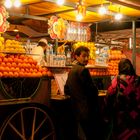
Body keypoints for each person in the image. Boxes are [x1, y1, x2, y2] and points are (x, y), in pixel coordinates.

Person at [64, 46, 102, 140]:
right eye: (84, 56)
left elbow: (66, 89)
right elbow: (92, 90)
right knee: (91, 135)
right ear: (76, 56)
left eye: (87, 56)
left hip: (75, 109)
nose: (86, 59)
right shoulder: (83, 70)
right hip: (86, 109)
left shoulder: (72, 70)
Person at [104, 58, 140, 140]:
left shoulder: (117, 80)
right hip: (136, 115)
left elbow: (109, 96)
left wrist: (106, 114)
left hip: (122, 117)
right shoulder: (138, 79)